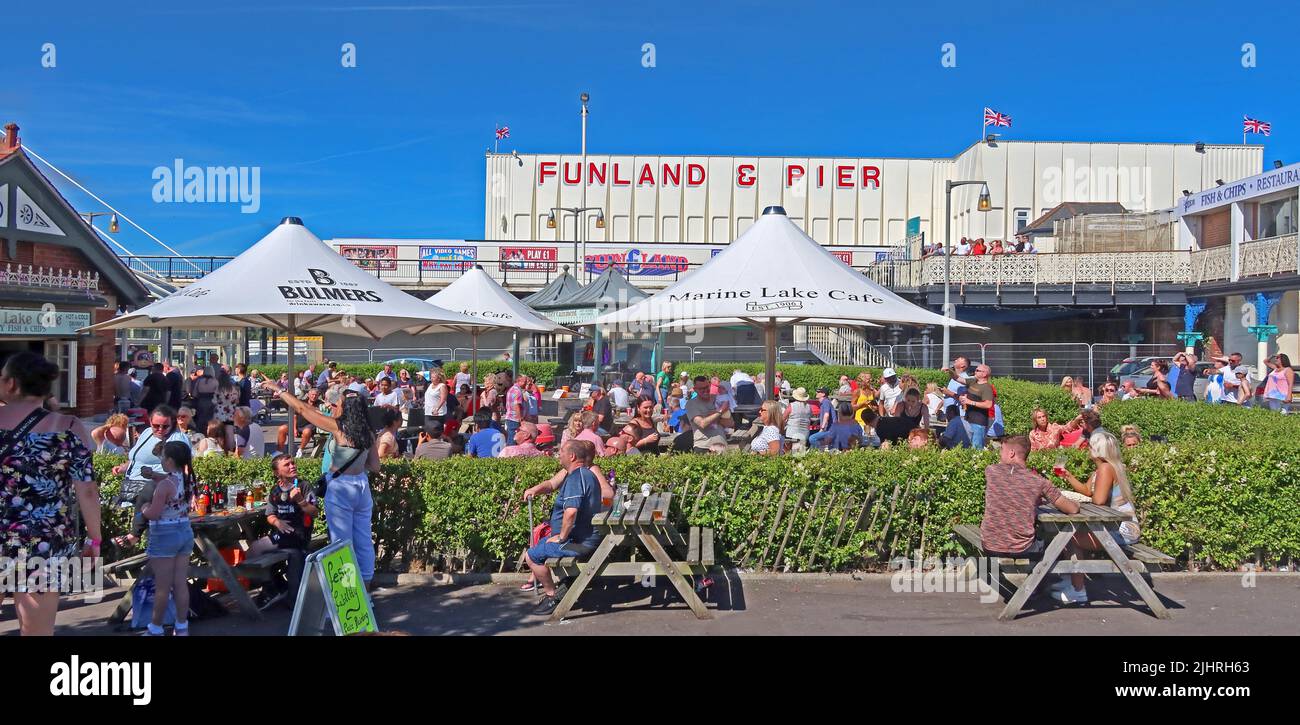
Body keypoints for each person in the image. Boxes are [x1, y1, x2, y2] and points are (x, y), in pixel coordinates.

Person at [0, 353, 100, 636]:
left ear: (12, 384)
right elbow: (88, 491)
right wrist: (94, 538)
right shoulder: (68, 427)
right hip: (45, 540)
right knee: (37, 632)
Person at [273, 383, 379, 587]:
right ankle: (365, 586)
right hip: (361, 486)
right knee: (364, 539)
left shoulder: (339, 429)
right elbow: (375, 466)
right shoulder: (368, 432)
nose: (333, 407)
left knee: (340, 542)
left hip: (341, 487)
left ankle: (346, 591)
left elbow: (304, 409)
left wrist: (280, 391)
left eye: (337, 404)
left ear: (346, 409)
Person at [1050, 432, 1138, 604]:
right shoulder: (1102, 469)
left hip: (1124, 529)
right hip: (1117, 525)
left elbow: (1098, 500)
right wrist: (1067, 476)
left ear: (1098, 450)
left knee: (1069, 539)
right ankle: (1073, 581)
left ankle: (1077, 589)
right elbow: (1087, 491)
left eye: (1090, 446)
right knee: (1069, 535)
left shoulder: (1106, 468)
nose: (1087, 448)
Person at [522, 440, 606, 613]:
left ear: (572, 456)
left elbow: (571, 512)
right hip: (581, 538)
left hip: (579, 542)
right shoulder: (582, 474)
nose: (558, 454)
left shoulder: (577, 478)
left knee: (531, 556)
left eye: (561, 451)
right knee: (540, 545)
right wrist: (536, 489)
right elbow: (552, 484)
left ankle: (552, 596)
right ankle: (560, 588)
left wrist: (562, 537)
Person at [979, 435, 1079, 570]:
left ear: (1011, 453)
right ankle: (1047, 584)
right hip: (1021, 548)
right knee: (1055, 542)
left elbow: (1011, 487)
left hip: (989, 544)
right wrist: (1077, 504)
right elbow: (1072, 509)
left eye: (1001, 450)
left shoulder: (991, 471)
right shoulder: (1038, 482)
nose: (999, 454)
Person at [245, 455, 318, 609]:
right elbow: (270, 515)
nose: (292, 466)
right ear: (277, 473)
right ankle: (273, 585)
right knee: (253, 550)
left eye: (293, 463)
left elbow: (314, 512)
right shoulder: (275, 490)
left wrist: (300, 500)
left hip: (299, 534)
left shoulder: (304, 486)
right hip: (283, 534)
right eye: (287, 465)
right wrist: (277, 522)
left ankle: (277, 590)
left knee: (261, 549)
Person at [139, 441, 194, 636]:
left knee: (162, 586)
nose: (160, 461)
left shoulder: (164, 486)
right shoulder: (187, 478)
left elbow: (153, 513)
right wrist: (154, 475)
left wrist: (144, 508)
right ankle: (182, 626)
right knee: (180, 582)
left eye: (162, 457)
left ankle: (155, 628)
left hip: (164, 534)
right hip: (185, 531)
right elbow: (170, 482)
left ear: (169, 460)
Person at [686, 375, 732, 453]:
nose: (705, 390)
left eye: (707, 387)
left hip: (722, 446)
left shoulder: (718, 398)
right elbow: (702, 423)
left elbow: (730, 423)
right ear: (695, 389)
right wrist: (720, 411)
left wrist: (714, 417)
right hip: (704, 447)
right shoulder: (691, 404)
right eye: (701, 389)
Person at [959, 364, 995, 449]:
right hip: (968, 418)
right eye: (975, 370)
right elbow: (958, 378)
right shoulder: (973, 382)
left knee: (976, 449)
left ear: (984, 374)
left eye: (978, 370)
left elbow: (988, 404)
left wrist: (970, 402)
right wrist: (949, 371)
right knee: (967, 446)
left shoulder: (987, 387)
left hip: (978, 422)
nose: (975, 371)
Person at [784, 387, 812, 452]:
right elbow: (809, 419)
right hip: (805, 434)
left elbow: (783, 418)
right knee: (799, 454)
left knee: (781, 438)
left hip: (791, 433)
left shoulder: (791, 405)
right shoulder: (809, 407)